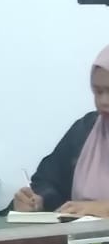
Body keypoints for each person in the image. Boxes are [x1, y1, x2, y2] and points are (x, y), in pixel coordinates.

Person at [14, 45, 109, 217]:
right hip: (81, 233)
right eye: (97, 91)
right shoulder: (86, 130)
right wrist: (37, 199)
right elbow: (49, 181)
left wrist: (103, 209)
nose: (103, 101)